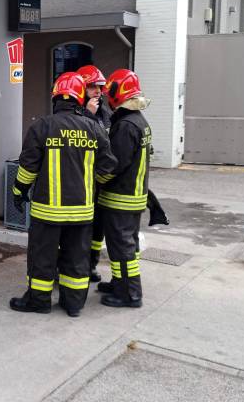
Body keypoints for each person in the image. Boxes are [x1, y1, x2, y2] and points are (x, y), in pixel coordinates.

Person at [10, 72, 116, 317]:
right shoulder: (93, 128)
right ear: (80, 98)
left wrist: (18, 192)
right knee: (76, 259)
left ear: (55, 97)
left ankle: (38, 302)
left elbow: (27, 168)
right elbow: (109, 167)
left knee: (42, 258)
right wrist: (91, 184)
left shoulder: (42, 126)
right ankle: (74, 304)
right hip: (82, 212)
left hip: (47, 212)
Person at [95, 69, 152, 308]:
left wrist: (96, 180)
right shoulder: (139, 121)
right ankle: (120, 282)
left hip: (121, 197)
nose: (107, 97)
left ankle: (130, 294)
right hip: (133, 195)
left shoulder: (126, 125)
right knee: (127, 245)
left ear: (120, 93)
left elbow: (114, 163)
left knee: (122, 247)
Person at [77, 65, 111, 283]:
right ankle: (72, 267)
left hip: (100, 181)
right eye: (92, 87)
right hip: (80, 182)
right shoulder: (74, 113)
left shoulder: (106, 114)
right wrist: (87, 115)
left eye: (100, 87)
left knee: (98, 229)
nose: (98, 91)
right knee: (79, 230)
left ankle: (90, 265)